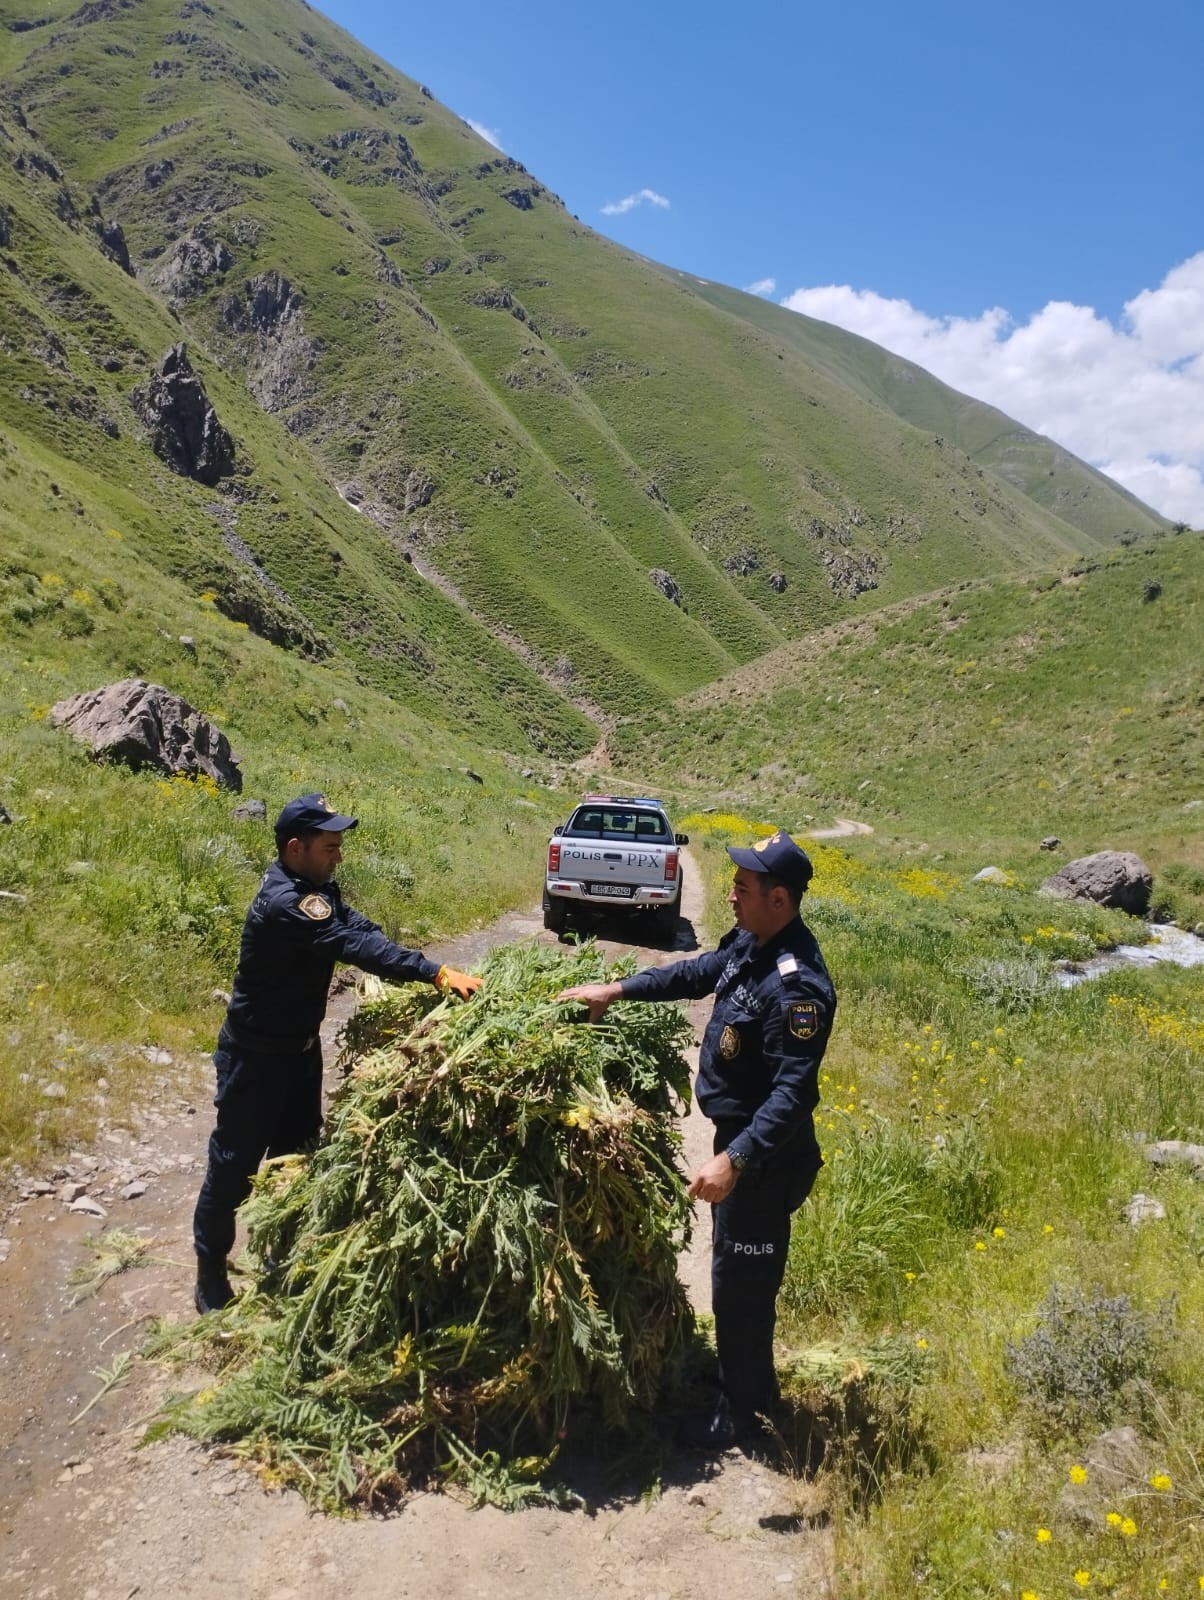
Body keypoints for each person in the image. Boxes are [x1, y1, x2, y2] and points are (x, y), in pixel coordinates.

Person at [558, 829, 835, 1450]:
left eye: (743, 887)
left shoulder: (799, 989)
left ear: (780, 899)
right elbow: (699, 972)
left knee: (744, 1283)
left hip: (766, 1157)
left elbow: (790, 1096)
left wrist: (734, 1160)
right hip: (740, 1141)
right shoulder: (752, 942)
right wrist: (618, 989)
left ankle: (748, 1415)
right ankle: (737, 1381)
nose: (731, 896)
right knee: (731, 1268)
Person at [191, 793, 481, 1314]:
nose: (339, 855)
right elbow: (355, 947)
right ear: (297, 848)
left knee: (296, 1160)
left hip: (299, 1054)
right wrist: (432, 972)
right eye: (330, 846)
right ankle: (210, 1271)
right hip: (256, 1059)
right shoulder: (288, 903)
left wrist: (410, 956)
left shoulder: (313, 889)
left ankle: (282, 1255)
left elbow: (357, 926)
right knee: (234, 1164)